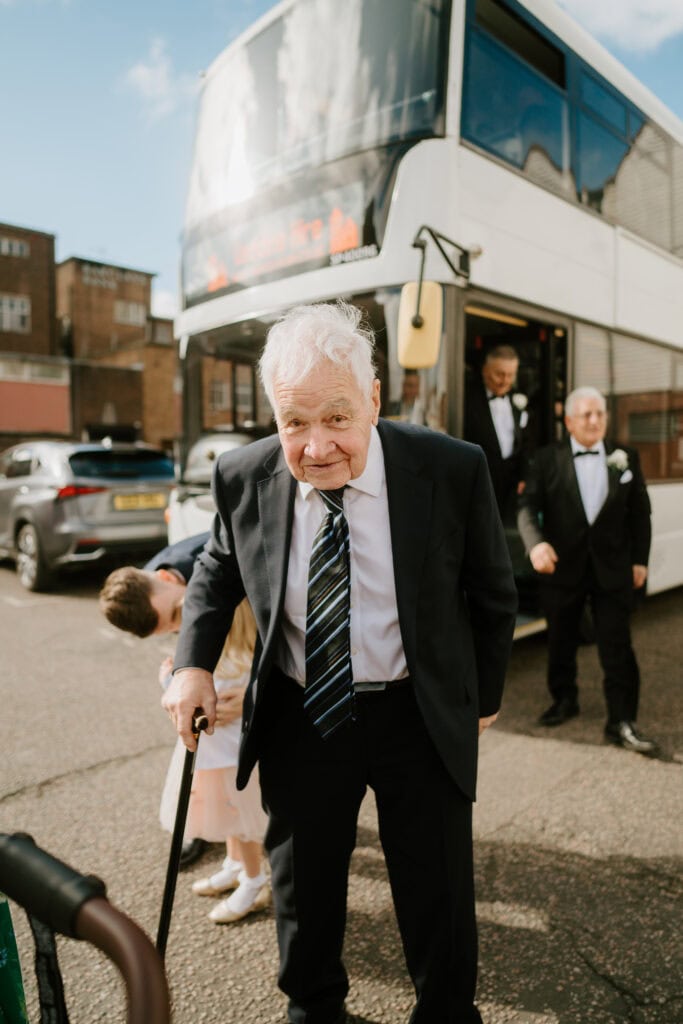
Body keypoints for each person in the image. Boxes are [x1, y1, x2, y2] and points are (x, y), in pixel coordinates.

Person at [163, 300, 517, 1024]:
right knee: (304, 886)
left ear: (374, 400)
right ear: (274, 416)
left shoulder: (449, 468)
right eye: (294, 422)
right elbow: (216, 569)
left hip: (413, 711)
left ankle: (446, 1014)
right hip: (303, 713)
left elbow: (491, 590)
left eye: (336, 417)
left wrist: (479, 698)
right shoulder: (243, 476)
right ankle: (314, 1009)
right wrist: (192, 661)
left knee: (436, 888)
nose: (316, 446)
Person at [101, 541, 271, 914]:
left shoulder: (229, 600)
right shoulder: (152, 589)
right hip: (214, 748)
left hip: (232, 748)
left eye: (181, 614)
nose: (183, 630)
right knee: (226, 813)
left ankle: (254, 879)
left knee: (240, 816)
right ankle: (236, 865)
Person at [517, 386, 657, 755]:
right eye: (587, 415)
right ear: (569, 422)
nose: (595, 421)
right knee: (561, 640)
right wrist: (537, 544)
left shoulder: (626, 457)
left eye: (600, 414)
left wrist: (639, 560)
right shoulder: (547, 459)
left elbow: (640, 514)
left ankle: (622, 720)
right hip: (564, 569)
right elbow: (527, 507)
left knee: (617, 646)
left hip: (613, 570)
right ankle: (564, 699)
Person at [100, 533, 212, 868]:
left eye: (178, 617)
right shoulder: (145, 587)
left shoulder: (214, 559)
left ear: (165, 579)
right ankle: (205, 825)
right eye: (169, 630)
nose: (180, 629)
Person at [160, 599, 270, 924]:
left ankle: (254, 881)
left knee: (241, 824)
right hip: (220, 760)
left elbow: (180, 695)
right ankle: (234, 866)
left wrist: (167, 675)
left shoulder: (225, 670)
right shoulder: (239, 664)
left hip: (231, 763)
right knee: (230, 821)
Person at [464, 344, 529, 518]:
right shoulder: (467, 399)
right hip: (477, 480)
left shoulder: (518, 400)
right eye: (499, 374)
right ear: (485, 370)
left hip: (509, 485)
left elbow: (524, 442)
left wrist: (523, 476)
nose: (505, 380)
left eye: (510, 375)